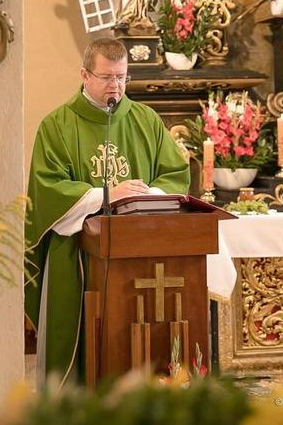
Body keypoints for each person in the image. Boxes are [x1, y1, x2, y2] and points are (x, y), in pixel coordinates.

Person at [24, 37, 190, 388]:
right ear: (85, 75)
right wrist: (105, 195)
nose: (116, 86)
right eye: (107, 78)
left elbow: (175, 176)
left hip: (140, 251)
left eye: (122, 77)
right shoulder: (57, 125)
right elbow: (47, 190)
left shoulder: (145, 119)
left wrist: (147, 195)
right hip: (78, 256)